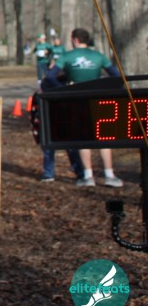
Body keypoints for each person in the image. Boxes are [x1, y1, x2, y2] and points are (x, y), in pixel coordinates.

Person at [42, 27, 122, 187]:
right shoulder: (98, 56)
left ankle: (88, 176)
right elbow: (116, 75)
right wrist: (103, 87)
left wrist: (64, 88)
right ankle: (109, 175)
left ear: (75, 40)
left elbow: (50, 76)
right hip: (98, 99)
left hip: (77, 100)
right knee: (104, 137)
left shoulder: (67, 56)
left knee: (83, 137)